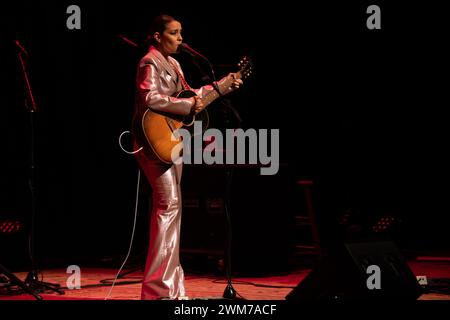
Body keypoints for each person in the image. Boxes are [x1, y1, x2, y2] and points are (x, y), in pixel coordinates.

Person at [131, 14, 243, 300]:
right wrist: (187, 104)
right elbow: (151, 98)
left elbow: (192, 97)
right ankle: (158, 290)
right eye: (174, 32)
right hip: (153, 141)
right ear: (157, 36)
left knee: (172, 209)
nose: (181, 38)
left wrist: (223, 86)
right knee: (168, 207)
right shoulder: (149, 61)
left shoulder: (175, 63)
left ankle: (170, 288)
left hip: (171, 140)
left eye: (181, 32)